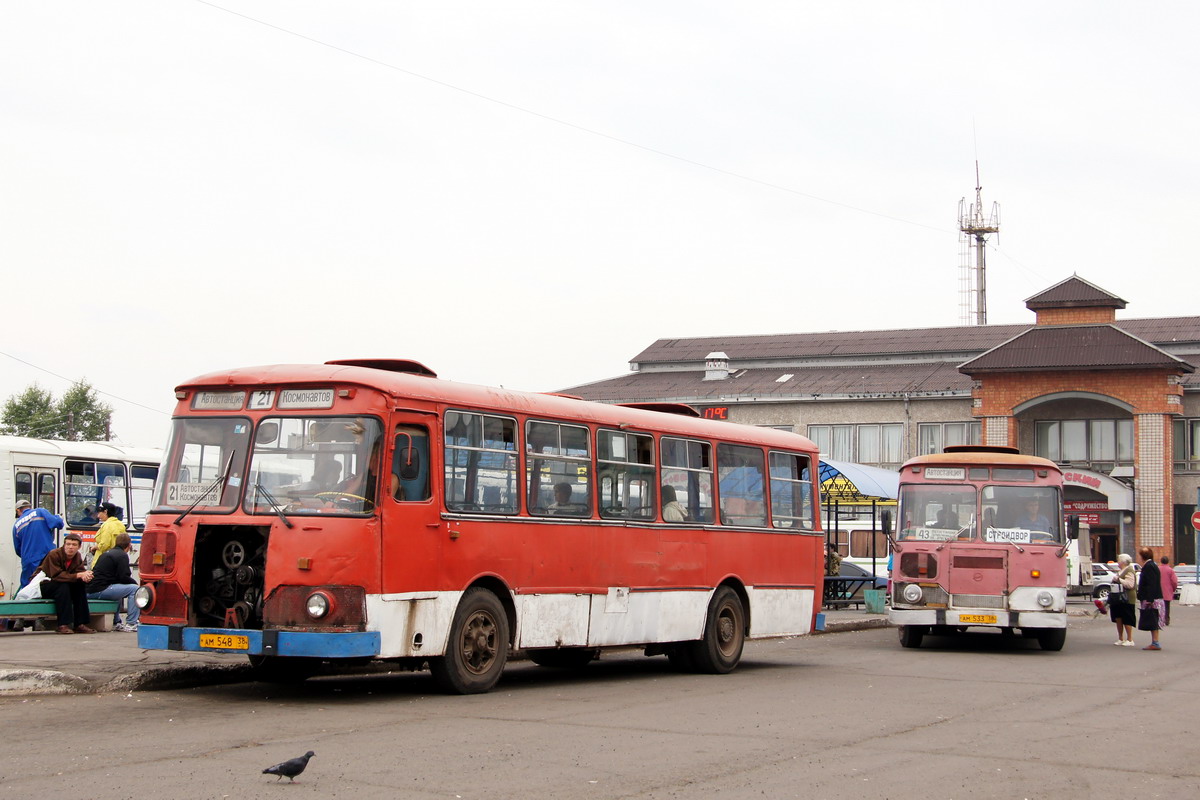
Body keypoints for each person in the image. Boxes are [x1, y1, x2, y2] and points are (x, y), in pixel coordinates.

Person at [39, 532, 96, 634]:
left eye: (74, 545)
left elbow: (79, 572)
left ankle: (80, 624)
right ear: (64, 545)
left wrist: (85, 577)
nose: (70, 547)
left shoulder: (77, 556)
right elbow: (56, 576)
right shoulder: (54, 554)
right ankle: (63, 624)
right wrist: (78, 576)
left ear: (79, 547)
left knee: (79, 585)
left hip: (63, 583)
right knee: (62, 586)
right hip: (44, 584)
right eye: (68, 544)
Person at [86, 532, 140, 631]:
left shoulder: (107, 553)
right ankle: (131, 623)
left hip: (91, 589)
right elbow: (124, 577)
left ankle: (116, 622)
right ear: (129, 545)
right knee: (135, 590)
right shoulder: (122, 555)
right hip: (100, 590)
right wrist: (136, 584)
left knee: (117, 588)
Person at [12, 498, 63, 589]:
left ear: (18, 510)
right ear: (29, 507)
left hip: (28, 560)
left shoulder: (16, 525)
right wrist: (59, 517)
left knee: (27, 586)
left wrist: (27, 555)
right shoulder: (40, 512)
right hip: (47, 555)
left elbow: (18, 549)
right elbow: (58, 523)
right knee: (49, 583)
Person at [1136, 547, 1164, 650]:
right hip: (1154, 597)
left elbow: (1151, 583)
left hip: (1152, 598)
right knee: (1153, 619)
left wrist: (1150, 599)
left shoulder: (1149, 566)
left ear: (1143, 556)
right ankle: (1155, 642)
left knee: (1152, 619)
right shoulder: (1152, 565)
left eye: (1139, 556)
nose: (1138, 558)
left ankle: (1155, 642)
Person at [1109, 553, 1137, 646]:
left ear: (1123, 562)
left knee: (1127, 617)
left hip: (1127, 598)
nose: (1118, 563)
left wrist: (1119, 580)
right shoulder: (1121, 571)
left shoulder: (1129, 570)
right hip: (1118, 598)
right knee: (1118, 618)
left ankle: (1130, 639)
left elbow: (1130, 584)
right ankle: (1120, 638)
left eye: (1119, 561)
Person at [90, 502, 126, 566]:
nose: (98, 516)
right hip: (117, 560)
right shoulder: (120, 525)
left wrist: (94, 547)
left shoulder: (107, 525)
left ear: (105, 512)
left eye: (99, 513)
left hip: (104, 562)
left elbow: (104, 545)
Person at [1159, 556, 1179, 625]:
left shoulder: (1157, 569)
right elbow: (1174, 581)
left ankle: (1159, 619)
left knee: (1158, 605)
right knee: (1166, 606)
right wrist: (1173, 588)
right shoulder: (1170, 570)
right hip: (1167, 591)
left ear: (1161, 561)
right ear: (1168, 562)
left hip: (1158, 591)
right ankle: (1166, 619)